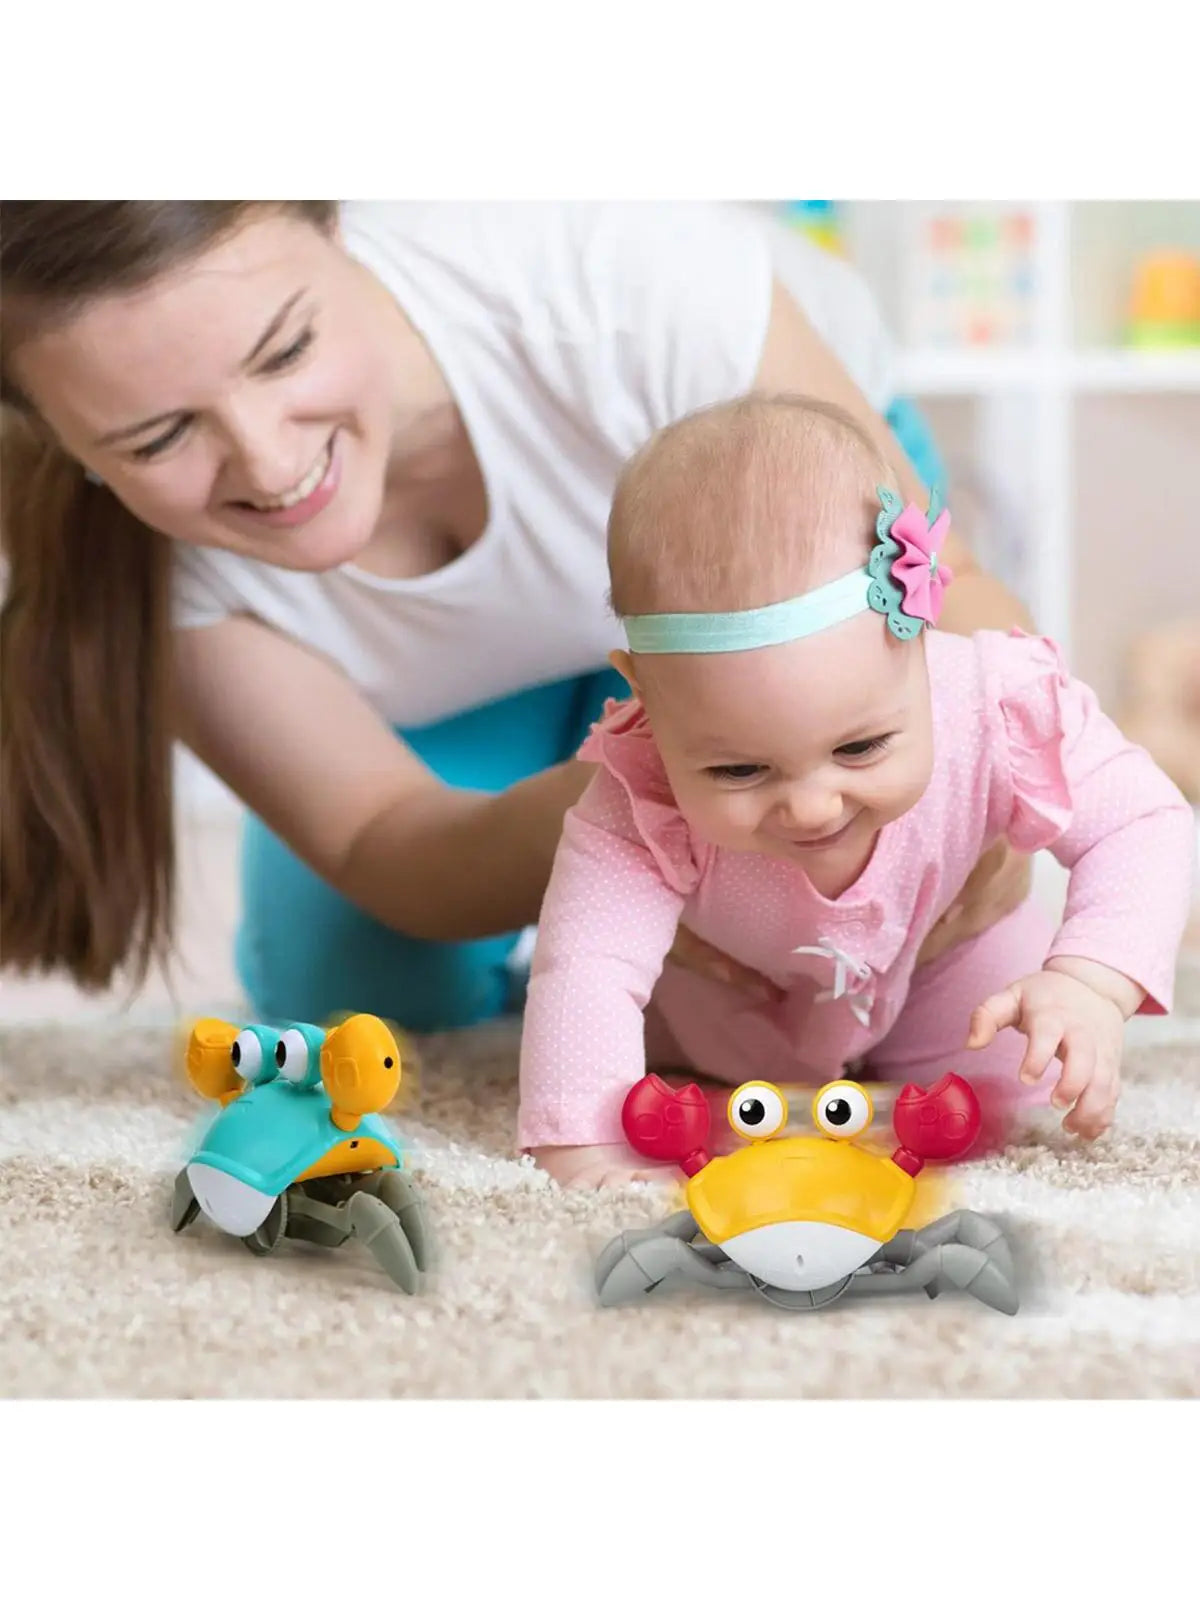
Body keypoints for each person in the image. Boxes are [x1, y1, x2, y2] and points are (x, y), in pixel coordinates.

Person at [2, 200, 1031, 1034]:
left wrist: (981, 795)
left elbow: (963, 593)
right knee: (358, 999)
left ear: (336, 223)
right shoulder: (145, 566)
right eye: (157, 436)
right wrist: (613, 839)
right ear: (59, 437)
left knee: (906, 982)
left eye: (284, 352)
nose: (270, 463)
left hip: (772, 578)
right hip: (499, 693)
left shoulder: (627, 288)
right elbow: (382, 840)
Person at [517, 396, 1195, 1187]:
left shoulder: (996, 703)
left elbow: (1141, 819)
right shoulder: (642, 787)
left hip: (950, 965)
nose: (812, 806)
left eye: (860, 747)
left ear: (920, 642)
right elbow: (587, 961)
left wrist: (1088, 982)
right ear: (647, 695)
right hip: (735, 1001)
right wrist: (587, 1146)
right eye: (739, 770)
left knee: (1015, 1097)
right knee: (708, 1097)